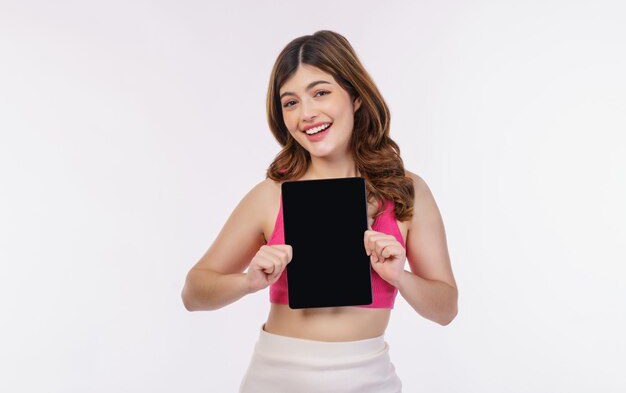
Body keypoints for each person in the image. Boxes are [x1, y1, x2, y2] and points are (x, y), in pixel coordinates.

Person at [181, 30, 458, 393]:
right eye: (290, 102)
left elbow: (445, 310)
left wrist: (399, 276)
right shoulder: (270, 196)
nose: (307, 113)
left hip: (370, 379)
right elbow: (193, 293)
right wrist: (247, 281)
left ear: (356, 96)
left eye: (321, 92)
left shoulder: (406, 192)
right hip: (276, 379)